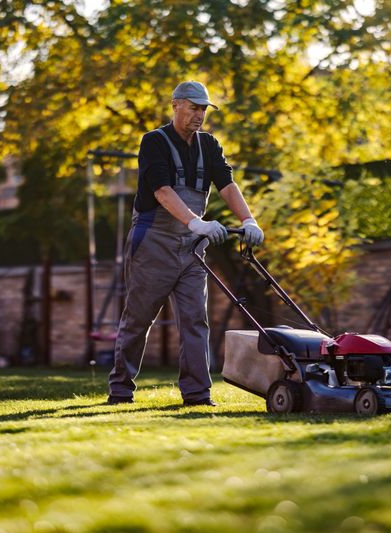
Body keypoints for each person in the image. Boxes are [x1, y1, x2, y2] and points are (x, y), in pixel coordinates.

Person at [107, 81, 264, 406]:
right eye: (193, 107)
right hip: (153, 244)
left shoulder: (209, 145)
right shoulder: (154, 142)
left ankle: (197, 394)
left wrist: (249, 220)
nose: (199, 114)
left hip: (192, 250)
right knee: (138, 319)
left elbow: (227, 185)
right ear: (176, 105)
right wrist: (196, 222)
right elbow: (162, 191)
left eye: (203, 109)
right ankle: (121, 389)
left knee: (195, 319)